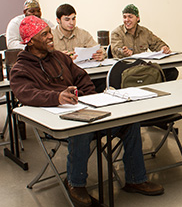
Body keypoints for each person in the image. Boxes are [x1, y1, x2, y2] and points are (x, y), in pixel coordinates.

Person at [10, 16, 164, 207]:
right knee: (82, 130)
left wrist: (91, 99)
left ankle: (135, 179)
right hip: (56, 121)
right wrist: (56, 97)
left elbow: (81, 77)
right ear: (30, 41)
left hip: (82, 110)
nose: (51, 36)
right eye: (45, 34)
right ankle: (76, 184)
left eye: (50, 32)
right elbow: (25, 93)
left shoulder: (59, 57)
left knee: (129, 122)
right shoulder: (20, 68)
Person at [110, 4, 178, 81]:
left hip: (142, 67)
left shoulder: (144, 32)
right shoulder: (116, 33)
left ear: (137, 18)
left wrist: (163, 48)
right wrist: (123, 52)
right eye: (124, 17)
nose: (127, 20)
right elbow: (116, 49)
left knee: (172, 72)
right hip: (125, 68)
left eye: (130, 17)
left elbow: (157, 43)